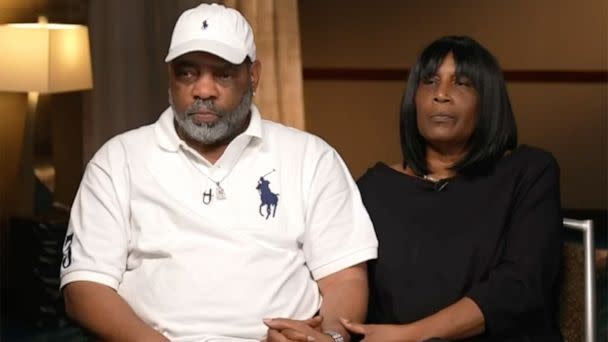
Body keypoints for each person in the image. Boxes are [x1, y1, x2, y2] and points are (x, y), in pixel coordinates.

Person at [60, 4, 378, 342]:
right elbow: (84, 287)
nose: (203, 91)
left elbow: (344, 279)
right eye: (187, 73)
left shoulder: (311, 157)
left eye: (223, 74)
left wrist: (328, 338)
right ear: (170, 75)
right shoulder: (117, 160)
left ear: (253, 76)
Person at [342, 36, 563, 341]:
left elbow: (520, 286)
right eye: (430, 82)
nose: (441, 95)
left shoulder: (528, 171)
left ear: (488, 100)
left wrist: (410, 336)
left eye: (462, 83)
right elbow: (343, 281)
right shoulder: (374, 188)